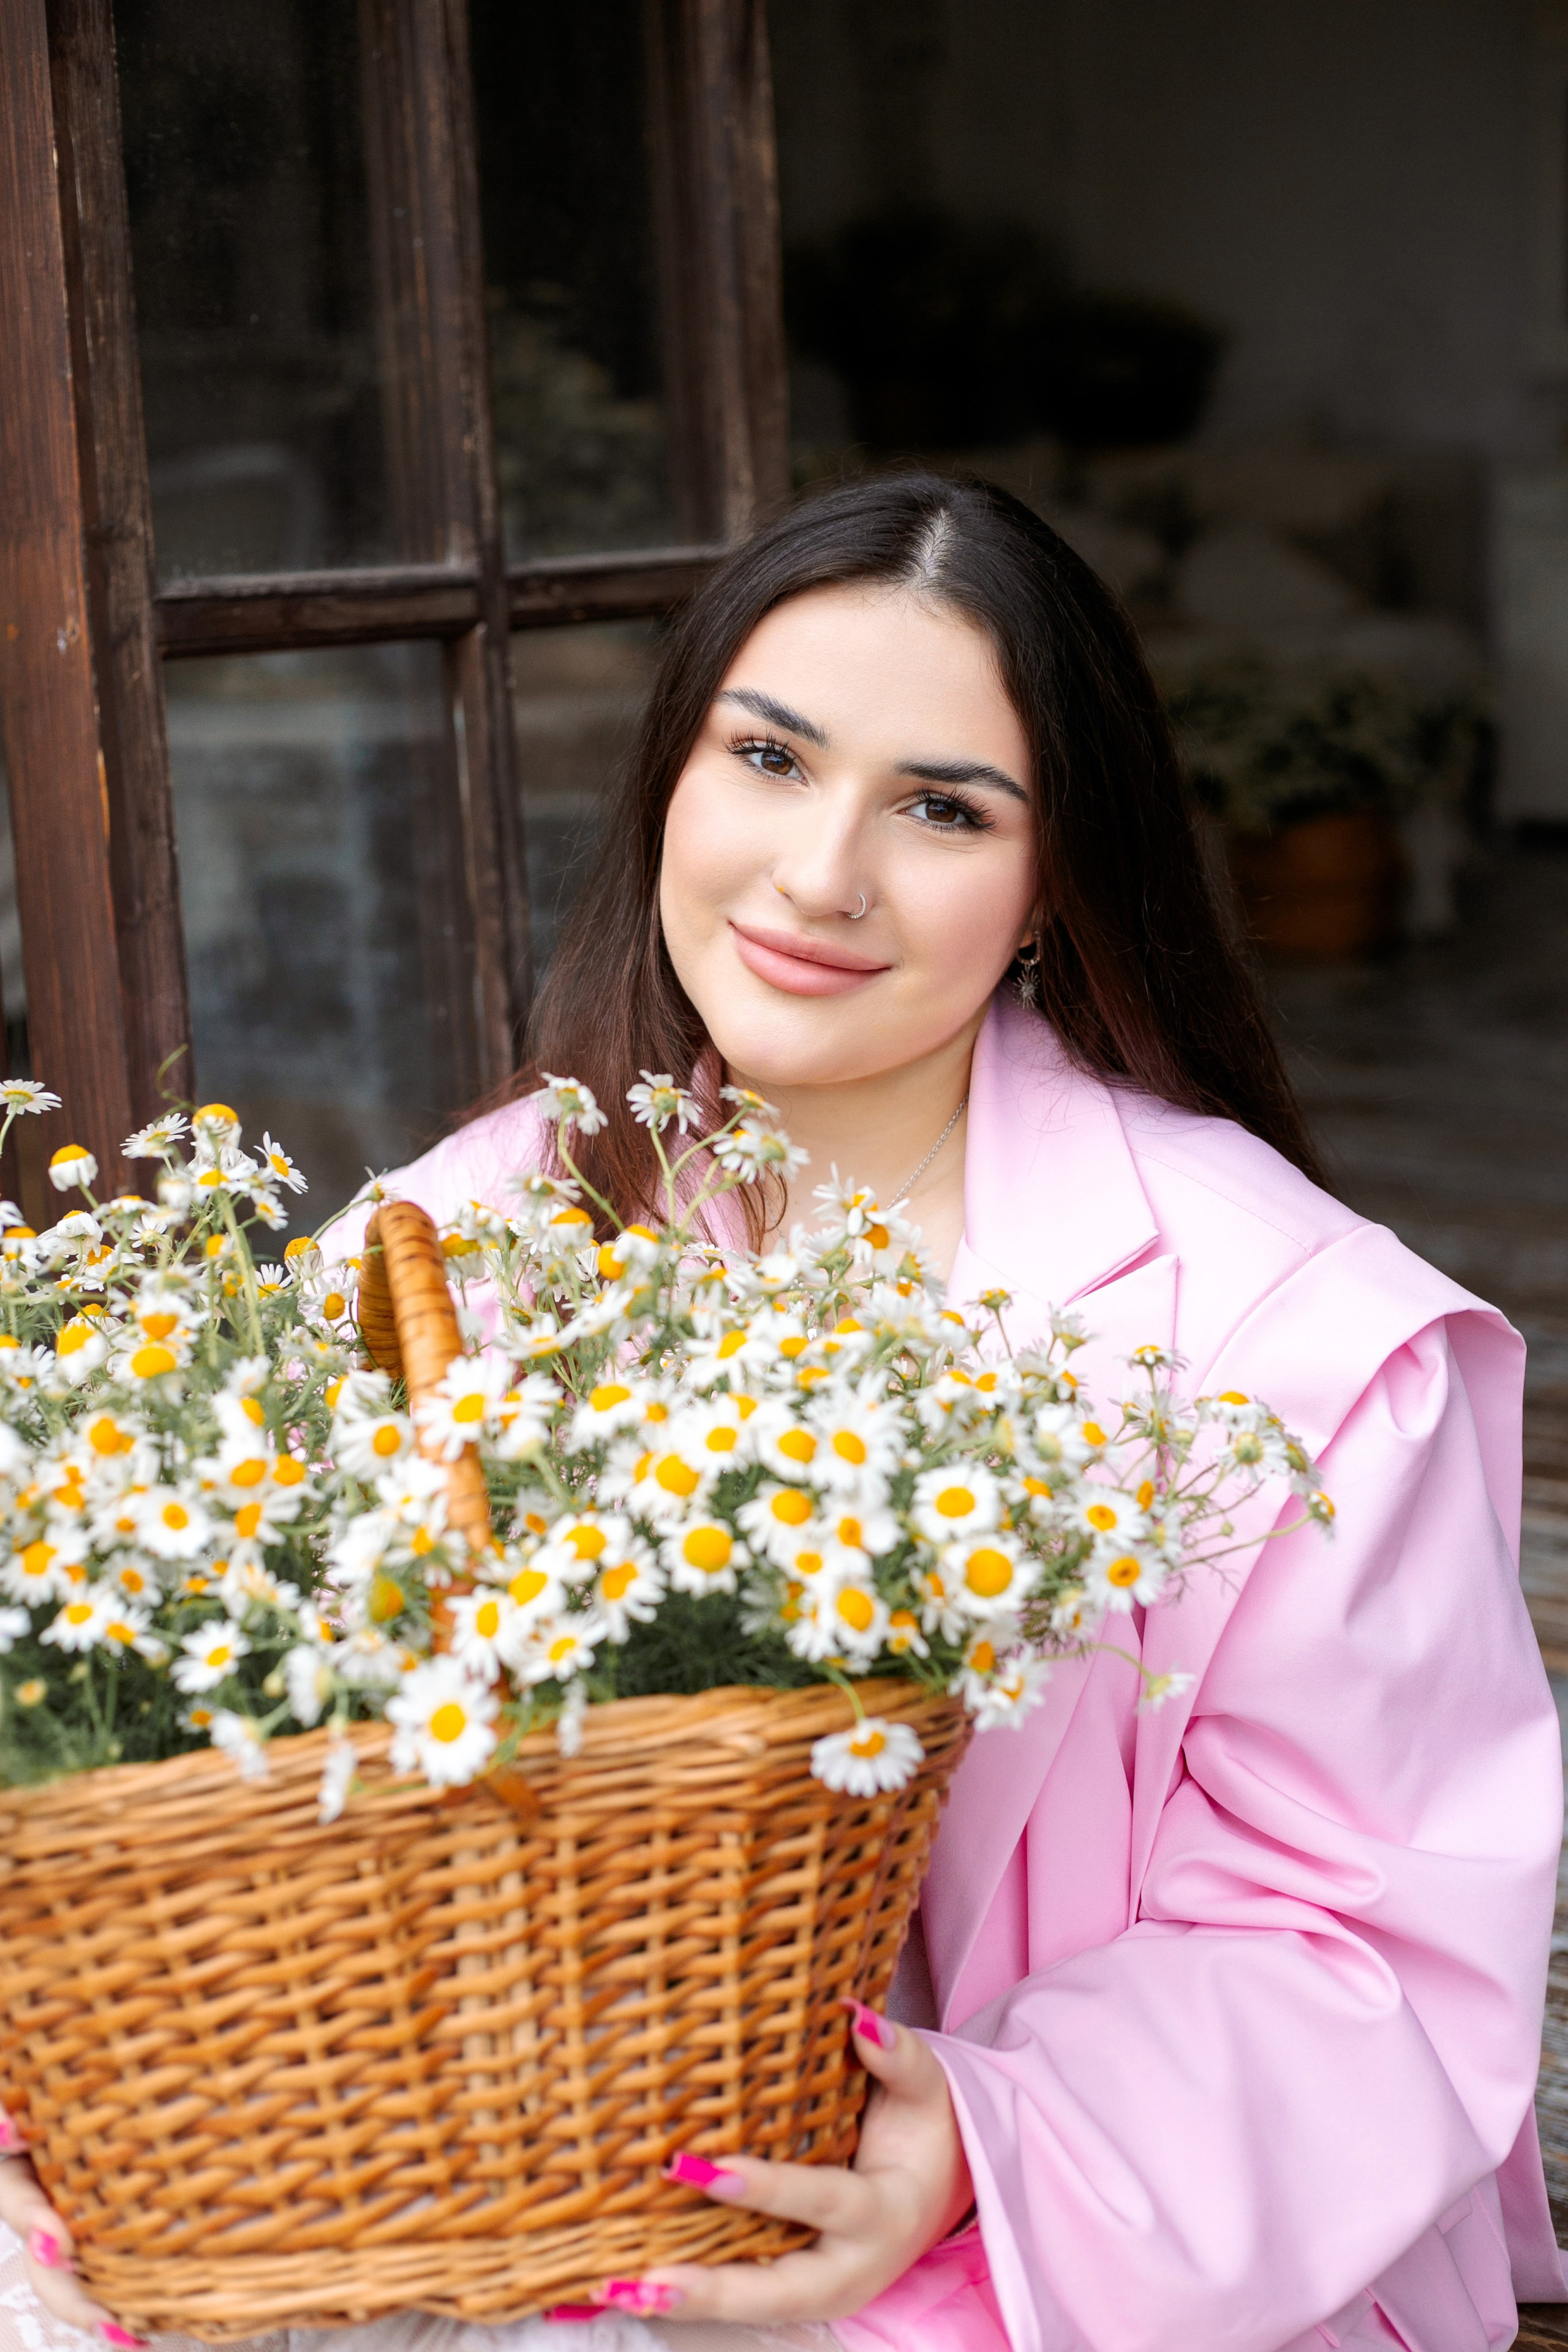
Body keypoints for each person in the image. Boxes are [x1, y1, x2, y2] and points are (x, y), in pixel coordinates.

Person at [2, 474, 1559, 2352]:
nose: (823, 875)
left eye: (942, 808)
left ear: (1056, 879)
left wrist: (975, 2147)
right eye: (770, 758)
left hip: (1087, 2233)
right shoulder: (491, 1223)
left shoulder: (1289, 1345)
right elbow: (198, 1696)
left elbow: (1368, 1944)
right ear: (674, 775)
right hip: (520, 2164)